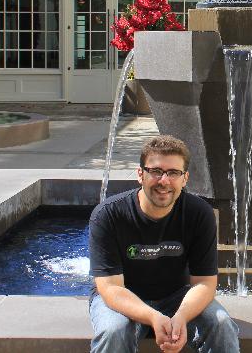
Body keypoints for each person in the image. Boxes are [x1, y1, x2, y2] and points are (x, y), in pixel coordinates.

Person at [88, 135, 240, 352]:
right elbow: (111, 287)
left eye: (173, 173)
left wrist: (181, 316)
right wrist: (153, 316)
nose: (164, 181)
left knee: (222, 325)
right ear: (140, 174)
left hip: (178, 297)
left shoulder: (199, 214)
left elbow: (205, 283)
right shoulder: (108, 215)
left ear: (185, 178)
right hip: (124, 296)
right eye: (156, 171)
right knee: (113, 331)